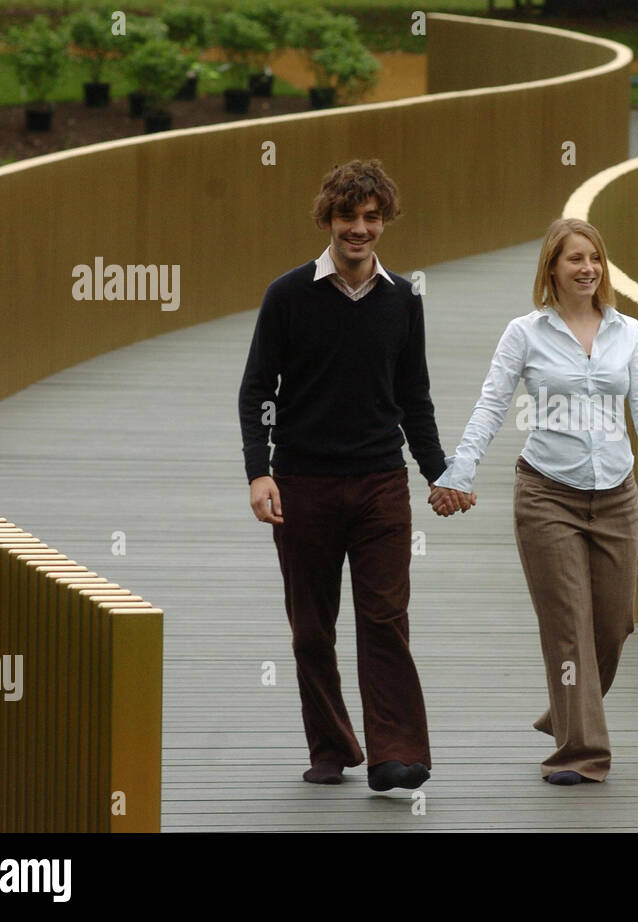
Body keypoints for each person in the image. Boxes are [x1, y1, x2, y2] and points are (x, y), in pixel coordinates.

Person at [431, 217, 638, 785]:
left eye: (595, 258)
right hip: (546, 494)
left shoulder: (627, 332)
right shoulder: (524, 334)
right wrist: (459, 471)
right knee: (568, 628)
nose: (587, 269)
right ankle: (581, 750)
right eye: (575, 259)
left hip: (618, 497)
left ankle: (566, 710)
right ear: (551, 268)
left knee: (614, 624)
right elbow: (491, 406)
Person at [237, 159, 465, 792]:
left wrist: (439, 473)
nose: (359, 229)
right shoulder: (288, 295)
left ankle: (396, 753)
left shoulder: (402, 299)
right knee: (312, 627)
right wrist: (261, 473)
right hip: (303, 483)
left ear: (384, 221)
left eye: (371, 218)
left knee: (386, 618)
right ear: (328, 219)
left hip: (379, 484)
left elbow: (413, 397)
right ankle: (332, 745)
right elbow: (258, 389)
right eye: (348, 217)